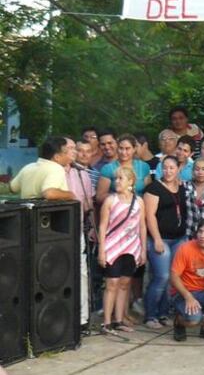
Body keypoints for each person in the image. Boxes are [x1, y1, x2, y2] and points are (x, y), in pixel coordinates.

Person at [98, 166, 146, 333]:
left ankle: (119, 319)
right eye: (115, 178)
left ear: (130, 181)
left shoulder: (139, 201)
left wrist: (143, 250)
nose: (117, 182)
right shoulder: (110, 200)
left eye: (120, 178)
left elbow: (142, 226)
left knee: (125, 283)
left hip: (131, 247)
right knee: (112, 283)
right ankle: (107, 322)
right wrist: (101, 249)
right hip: (113, 246)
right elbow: (103, 226)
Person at [143, 155, 187, 329]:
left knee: (172, 278)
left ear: (178, 169)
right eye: (165, 167)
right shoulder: (153, 188)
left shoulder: (182, 186)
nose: (168, 171)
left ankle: (163, 313)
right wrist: (157, 239)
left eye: (172, 168)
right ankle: (150, 315)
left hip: (179, 238)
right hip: (161, 238)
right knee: (161, 276)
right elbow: (150, 216)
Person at [66, 138, 96, 328]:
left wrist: (92, 225)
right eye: (73, 149)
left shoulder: (81, 173)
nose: (77, 153)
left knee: (82, 273)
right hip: (55, 231)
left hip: (78, 228)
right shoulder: (55, 171)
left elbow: (88, 204)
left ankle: (82, 318)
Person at [10, 136, 76, 200]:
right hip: (47, 211)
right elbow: (49, 193)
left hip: (26, 210)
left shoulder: (28, 167)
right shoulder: (56, 168)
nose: (74, 153)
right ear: (57, 157)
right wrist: (70, 194)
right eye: (66, 152)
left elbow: (12, 188)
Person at [96, 134, 152, 204]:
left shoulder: (143, 167)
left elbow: (149, 193)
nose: (123, 152)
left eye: (127, 148)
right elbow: (100, 197)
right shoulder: (108, 168)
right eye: (121, 148)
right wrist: (121, 197)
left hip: (139, 209)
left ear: (134, 149)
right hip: (116, 209)